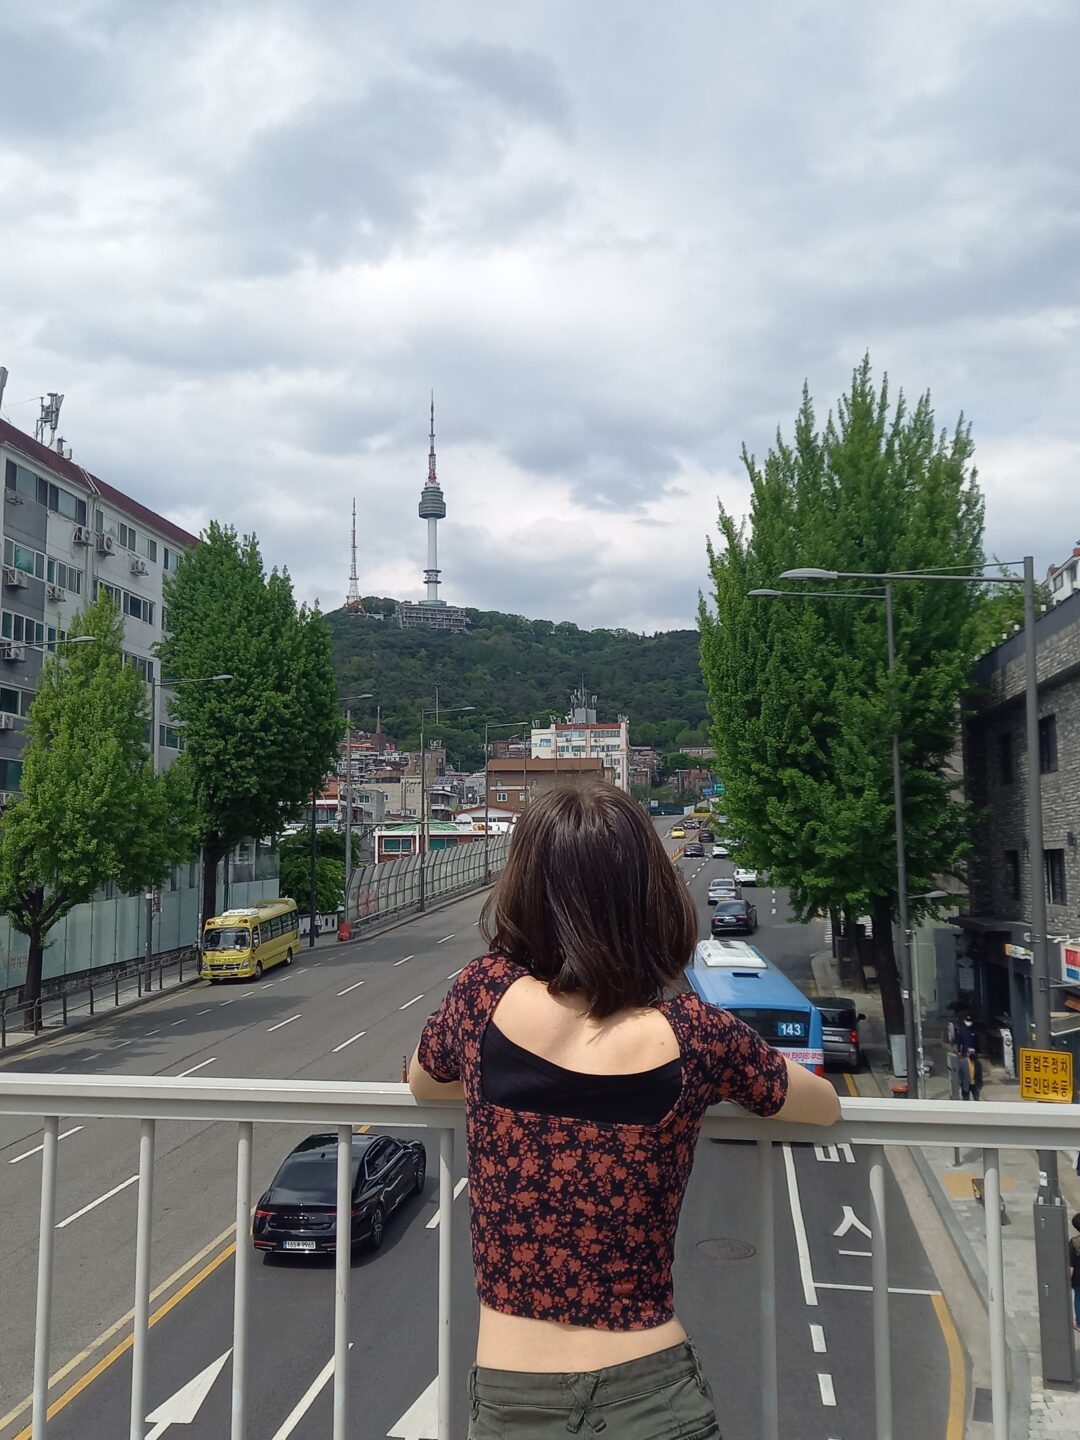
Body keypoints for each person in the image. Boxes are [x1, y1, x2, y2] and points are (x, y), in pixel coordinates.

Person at [409, 783, 840, 1438]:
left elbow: (424, 1082)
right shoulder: (696, 1032)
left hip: (513, 1396)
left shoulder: (483, 994)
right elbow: (821, 1107)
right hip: (655, 1392)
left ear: (527, 888)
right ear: (648, 898)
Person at [1070, 1214, 1080, 1332]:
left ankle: (1079, 1322)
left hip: (1078, 1277)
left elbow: (1071, 1265)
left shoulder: (1074, 1242)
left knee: (1078, 1299)